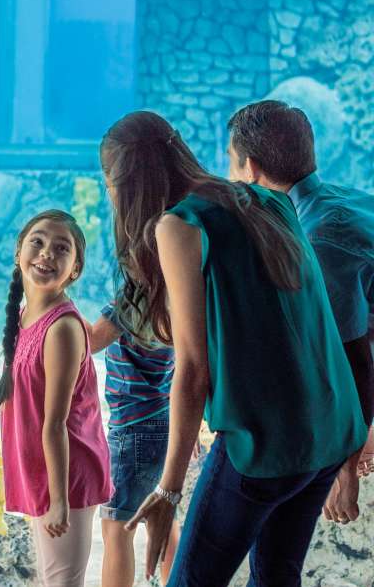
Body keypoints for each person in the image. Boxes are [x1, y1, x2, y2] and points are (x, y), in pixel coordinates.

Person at [99, 111, 367, 587]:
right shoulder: (269, 200)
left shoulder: (178, 227)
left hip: (264, 445)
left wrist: (169, 490)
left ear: (122, 180)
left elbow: (192, 369)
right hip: (331, 432)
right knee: (277, 577)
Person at [227, 100, 374, 522]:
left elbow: (354, 359)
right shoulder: (337, 203)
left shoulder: (318, 237)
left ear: (251, 168)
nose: (229, 176)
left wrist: (344, 470)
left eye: (231, 162)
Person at [0, 209, 111, 587]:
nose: (47, 253)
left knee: (62, 582)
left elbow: (56, 423)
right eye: (38, 241)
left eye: (62, 248)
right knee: (50, 579)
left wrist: (59, 500)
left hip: (66, 476)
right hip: (42, 471)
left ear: (75, 270)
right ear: (19, 252)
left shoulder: (62, 328)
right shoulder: (25, 315)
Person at [90, 296, 179, 587]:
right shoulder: (176, 300)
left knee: (117, 528)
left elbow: (90, 342)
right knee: (163, 515)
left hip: (132, 427)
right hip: (164, 420)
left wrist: (54, 307)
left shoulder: (132, 301)